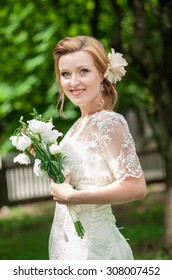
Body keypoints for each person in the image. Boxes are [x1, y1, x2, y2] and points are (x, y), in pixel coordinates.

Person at [49, 35, 147, 260]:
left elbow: (136, 187)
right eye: (66, 74)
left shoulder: (108, 122)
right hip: (71, 246)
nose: (73, 82)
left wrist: (73, 197)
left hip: (96, 252)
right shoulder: (78, 125)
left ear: (102, 73)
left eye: (83, 71)